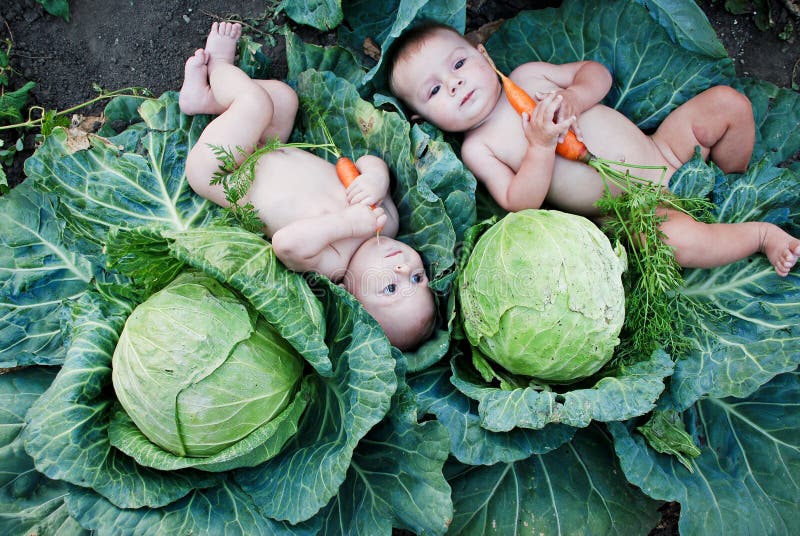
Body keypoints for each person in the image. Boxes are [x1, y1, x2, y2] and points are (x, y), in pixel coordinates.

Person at [386, 23, 800, 277]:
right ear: (426, 120)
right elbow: (518, 202)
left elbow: (597, 73)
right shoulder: (481, 147)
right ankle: (758, 235)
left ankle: (734, 189)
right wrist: (540, 147)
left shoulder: (530, 76)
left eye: (458, 64)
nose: (454, 83)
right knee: (678, 246)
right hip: (629, 212)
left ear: (482, 53)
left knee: (730, 104)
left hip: (666, 153)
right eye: (435, 90)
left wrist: (575, 96)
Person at [179, 21, 435, 350]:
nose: (403, 268)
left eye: (390, 288)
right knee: (284, 100)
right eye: (417, 278)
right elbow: (370, 162)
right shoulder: (388, 222)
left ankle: (218, 67)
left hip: (222, 171)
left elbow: (286, 243)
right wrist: (375, 179)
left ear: (351, 293)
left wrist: (346, 223)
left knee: (256, 104)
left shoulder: (331, 264)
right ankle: (206, 100)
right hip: (270, 144)